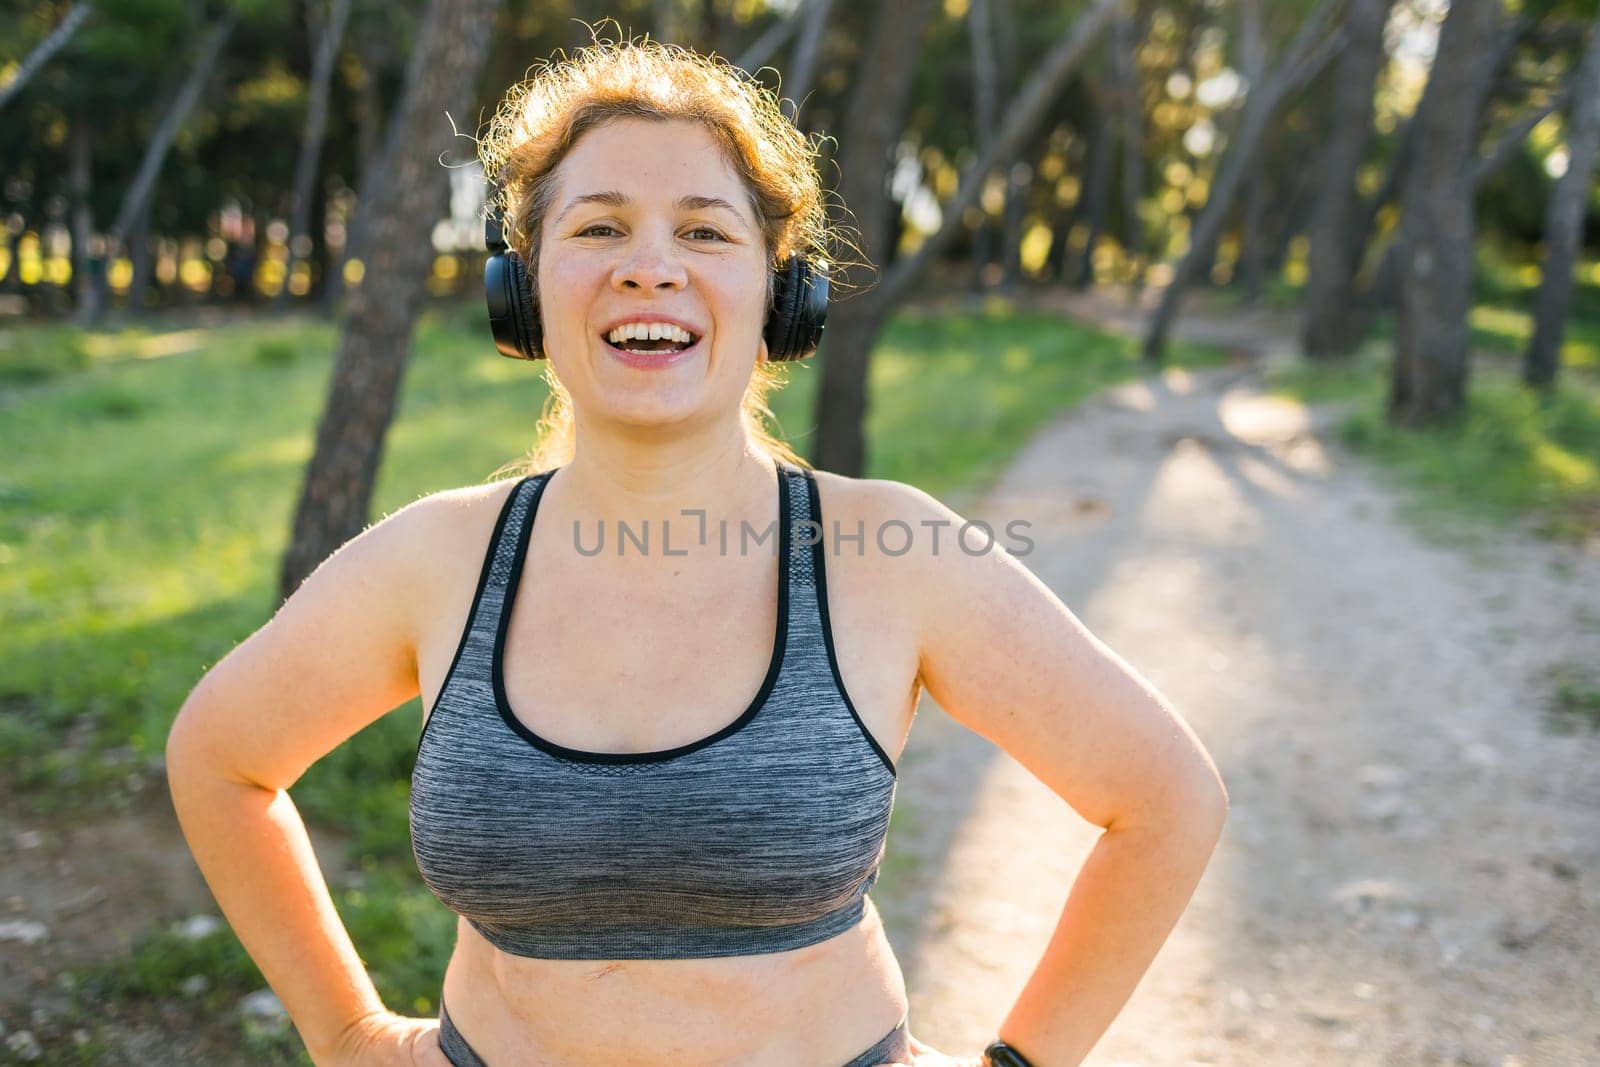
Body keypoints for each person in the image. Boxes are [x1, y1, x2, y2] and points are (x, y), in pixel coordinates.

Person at [165, 36, 1228, 1067]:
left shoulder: (889, 553)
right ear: (522, 290)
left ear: (784, 294)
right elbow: (220, 755)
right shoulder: (435, 559)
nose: (649, 268)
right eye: (598, 228)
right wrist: (345, 1036)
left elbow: (1165, 798)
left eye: (706, 233)